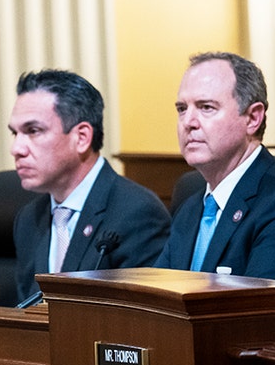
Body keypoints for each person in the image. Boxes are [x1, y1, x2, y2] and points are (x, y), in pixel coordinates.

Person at [9, 69, 170, 302]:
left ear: (82, 137)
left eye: (33, 131)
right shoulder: (28, 219)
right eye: (15, 133)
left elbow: (142, 324)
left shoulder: (137, 213)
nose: (17, 149)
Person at [155, 52, 275, 278]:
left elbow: (259, 308)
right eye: (182, 109)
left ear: (252, 118)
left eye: (206, 107)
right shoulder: (190, 204)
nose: (188, 123)